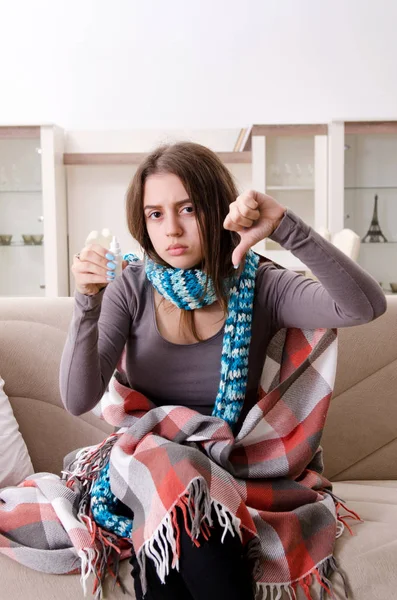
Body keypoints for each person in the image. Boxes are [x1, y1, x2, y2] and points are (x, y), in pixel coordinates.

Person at [60, 141, 387, 600]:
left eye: (188, 208)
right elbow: (78, 398)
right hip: (144, 468)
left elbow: (363, 306)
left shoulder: (262, 286)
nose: (171, 229)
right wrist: (86, 302)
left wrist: (286, 228)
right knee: (183, 508)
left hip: (233, 471)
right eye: (155, 214)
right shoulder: (130, 287)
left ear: (217, 208)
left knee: (188, 534)